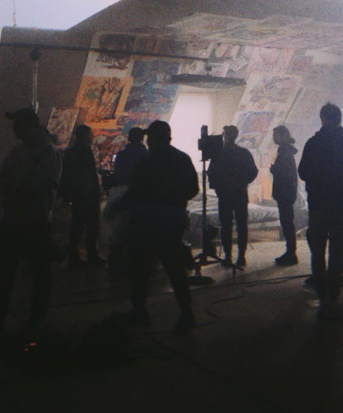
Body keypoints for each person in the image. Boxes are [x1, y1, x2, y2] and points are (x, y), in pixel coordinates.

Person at [0, 107, 62, 336]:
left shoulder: (47, 153)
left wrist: (14, 189)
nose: (15, 129)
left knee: (23, 274)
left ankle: (27, 320)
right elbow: (2, 179)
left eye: (19, 125)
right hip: (16, 220)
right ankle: (6, 320)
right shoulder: (19, 151)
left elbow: (44, 185)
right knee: (10, 274)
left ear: (32, 126)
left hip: (33, 221)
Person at [120, 120, 199, 332]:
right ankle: (186, 313)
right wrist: (174, 201)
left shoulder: (147, 163)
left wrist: (117, 207)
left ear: (153, 141)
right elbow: (193, 189)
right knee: (175, 269)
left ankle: (139, 312)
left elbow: (133, 192)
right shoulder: (182, 159)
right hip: (172, 222)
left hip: (146, 224)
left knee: (140, 270)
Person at [298, 103, 343, 321]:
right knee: (338, 250)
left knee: (318, 252)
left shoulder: (312, 144)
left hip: (319, 204)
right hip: (342, 204)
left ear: (322, 119)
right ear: (339, 120)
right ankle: (335, 297)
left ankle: (323, 297)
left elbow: (303, 173)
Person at [207, 125, 258, 268]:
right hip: (240, 193)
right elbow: (253, 171)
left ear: (225, 135)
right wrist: (243, 182)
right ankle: (241, 257)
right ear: (236, 136)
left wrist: (217, 186)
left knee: (226, 226)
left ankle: (228, 256)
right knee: (242, 225)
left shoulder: (218, 153)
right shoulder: (244, 152)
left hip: (224, 194)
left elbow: (211, 173)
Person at [104, 127, 149, 277]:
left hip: (122, 194)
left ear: (129, 138)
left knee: (121, 232)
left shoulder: (121, 155)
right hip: (142, 196)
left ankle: (118, 264)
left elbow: (117, 175)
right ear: (142, 138)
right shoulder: (146, 155)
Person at [60, 124, 104, 267]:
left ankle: (73, 256)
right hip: (88, 195)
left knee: (77, 226)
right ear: (85, 136)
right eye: (90, 134)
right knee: (92, 226)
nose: (92, 137)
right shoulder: (86, 151)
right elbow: (89, 175)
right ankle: (92, 255)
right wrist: (96, 192)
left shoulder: (69, 152)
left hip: (76, 195)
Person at [271, 125, 299, 266]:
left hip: (285, 193)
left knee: (287, 223)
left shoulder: (284, 152)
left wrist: (274, 169)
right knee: (287, 222)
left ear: (282, 136)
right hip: (287, 192)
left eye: (275, 135)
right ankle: (290, 252)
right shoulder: (287, 151)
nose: (273, 138)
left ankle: (291, 253)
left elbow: (284, 173)